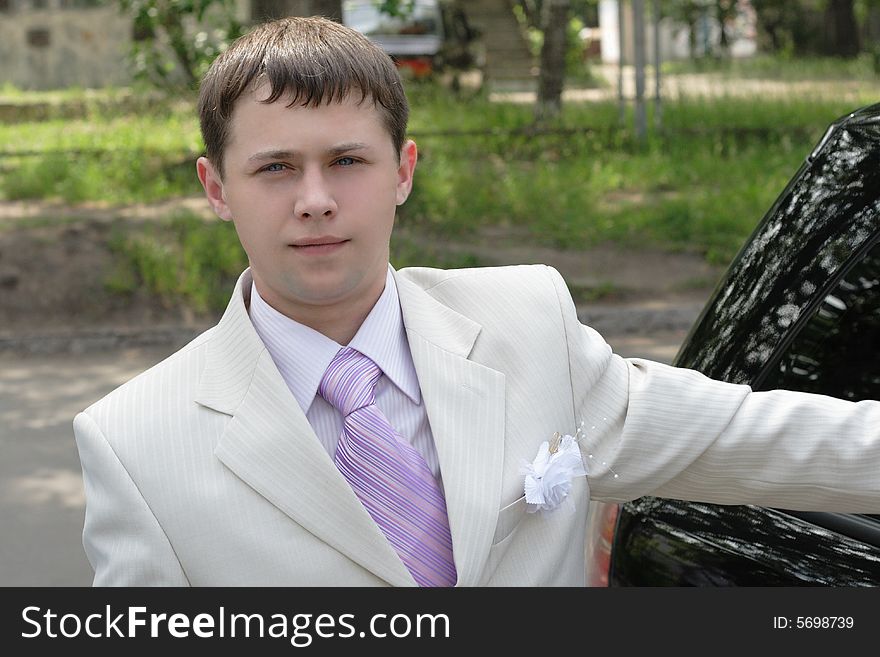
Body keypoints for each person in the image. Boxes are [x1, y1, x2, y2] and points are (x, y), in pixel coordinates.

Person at [73, 16, 880, 587]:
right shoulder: (134, 441)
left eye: (348, 160)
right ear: (216, 187)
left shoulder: (528, 322)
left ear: (404, 170)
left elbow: (762, 437)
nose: (315, 199)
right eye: (276, 167)